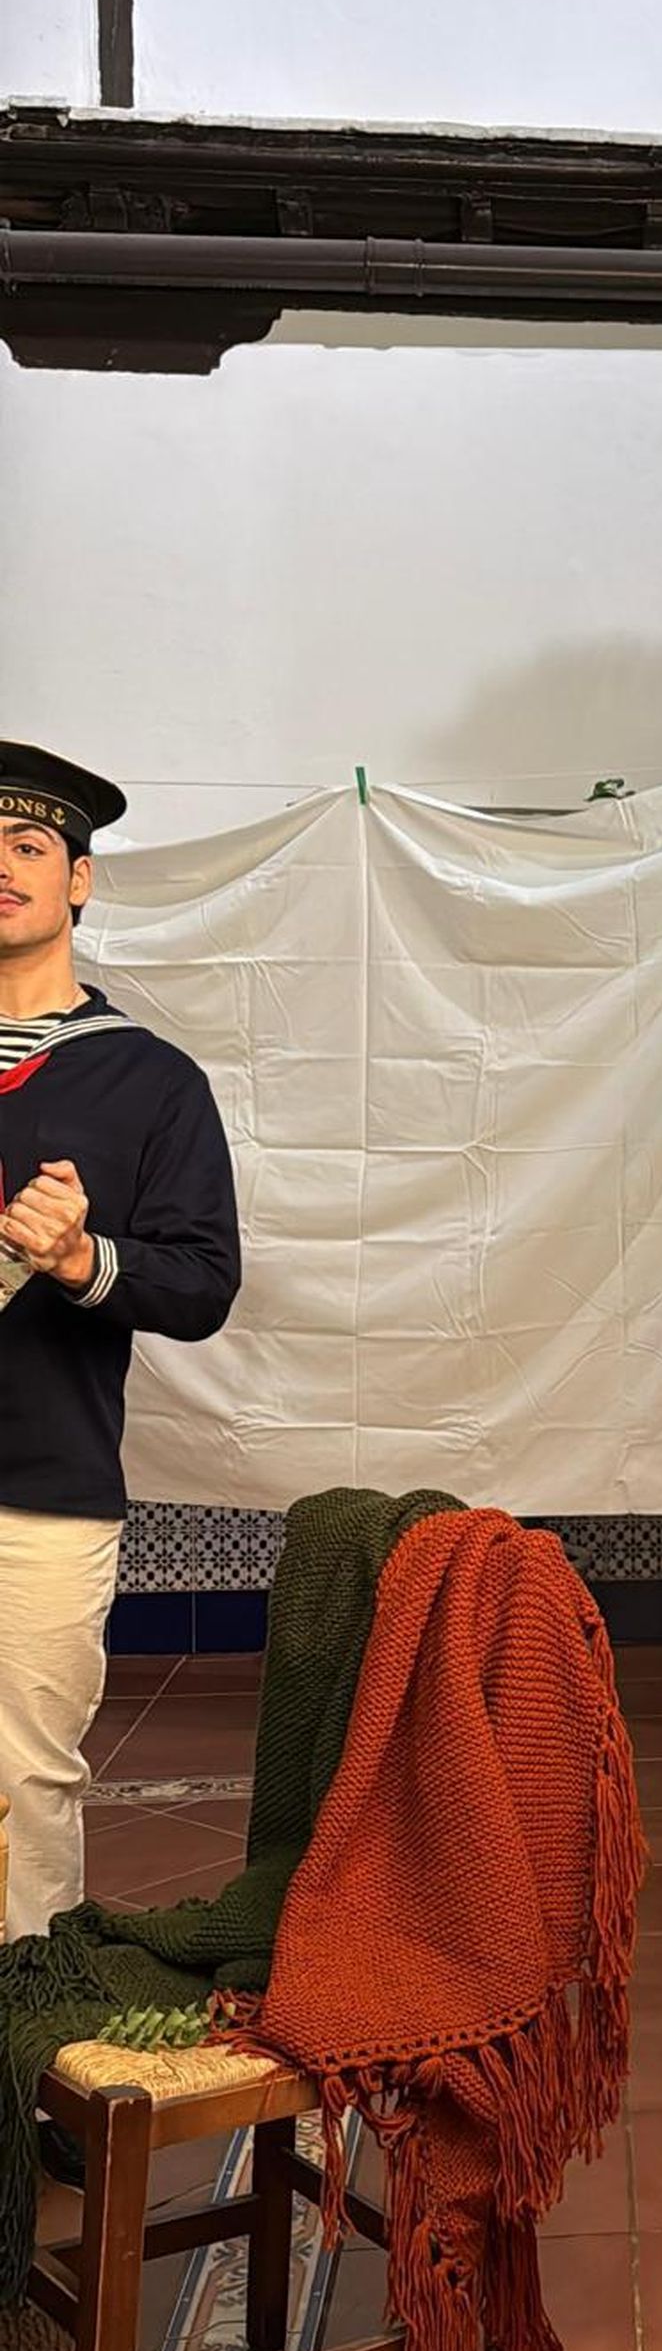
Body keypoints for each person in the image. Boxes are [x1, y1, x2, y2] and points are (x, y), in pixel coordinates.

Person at [0, 742, 241, 1941]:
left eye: (28, 846)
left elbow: (203, 1284)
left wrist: (86, 1262)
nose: (1, 867)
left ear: (79, 882)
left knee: (24, 1787)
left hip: (41, 1493)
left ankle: (16, 2062)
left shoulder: (148, 1082)